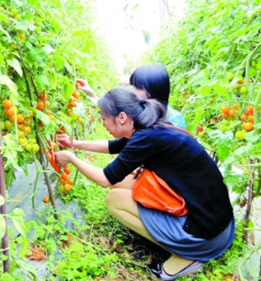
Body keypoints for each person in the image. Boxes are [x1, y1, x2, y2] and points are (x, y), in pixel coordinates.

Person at [54, 87, 235, 280]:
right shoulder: (150, 128)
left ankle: (187, 256)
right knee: (122, 183)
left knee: (114, 200)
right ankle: (176, 238)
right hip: (217, 220)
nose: (103, 123)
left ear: (122, 118)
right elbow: (113, 146)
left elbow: (104, 179)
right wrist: (74, 143)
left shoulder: (145, 138)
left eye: (104, 118)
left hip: (204, 234)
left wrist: (72, 158)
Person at [76, 64, 187, 129]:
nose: (133, 91)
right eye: (133, 86)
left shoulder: (174, 121)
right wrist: (91, 94)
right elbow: (112, 108)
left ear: (153, 91)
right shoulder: (139, 108)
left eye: (137, 87)